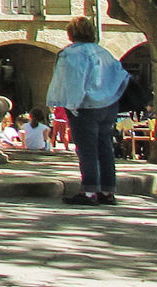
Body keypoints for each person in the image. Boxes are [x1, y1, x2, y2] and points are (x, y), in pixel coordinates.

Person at [46, 16, 131, 205]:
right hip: (108, 105)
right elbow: (121, 75)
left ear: (71, 34)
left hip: (85, 106)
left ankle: (89, 191)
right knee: (105, 146)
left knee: (87, 149)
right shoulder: (103, 52)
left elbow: (73, 81)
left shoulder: (70, 54)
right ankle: (107, 191)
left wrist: (71, 104)